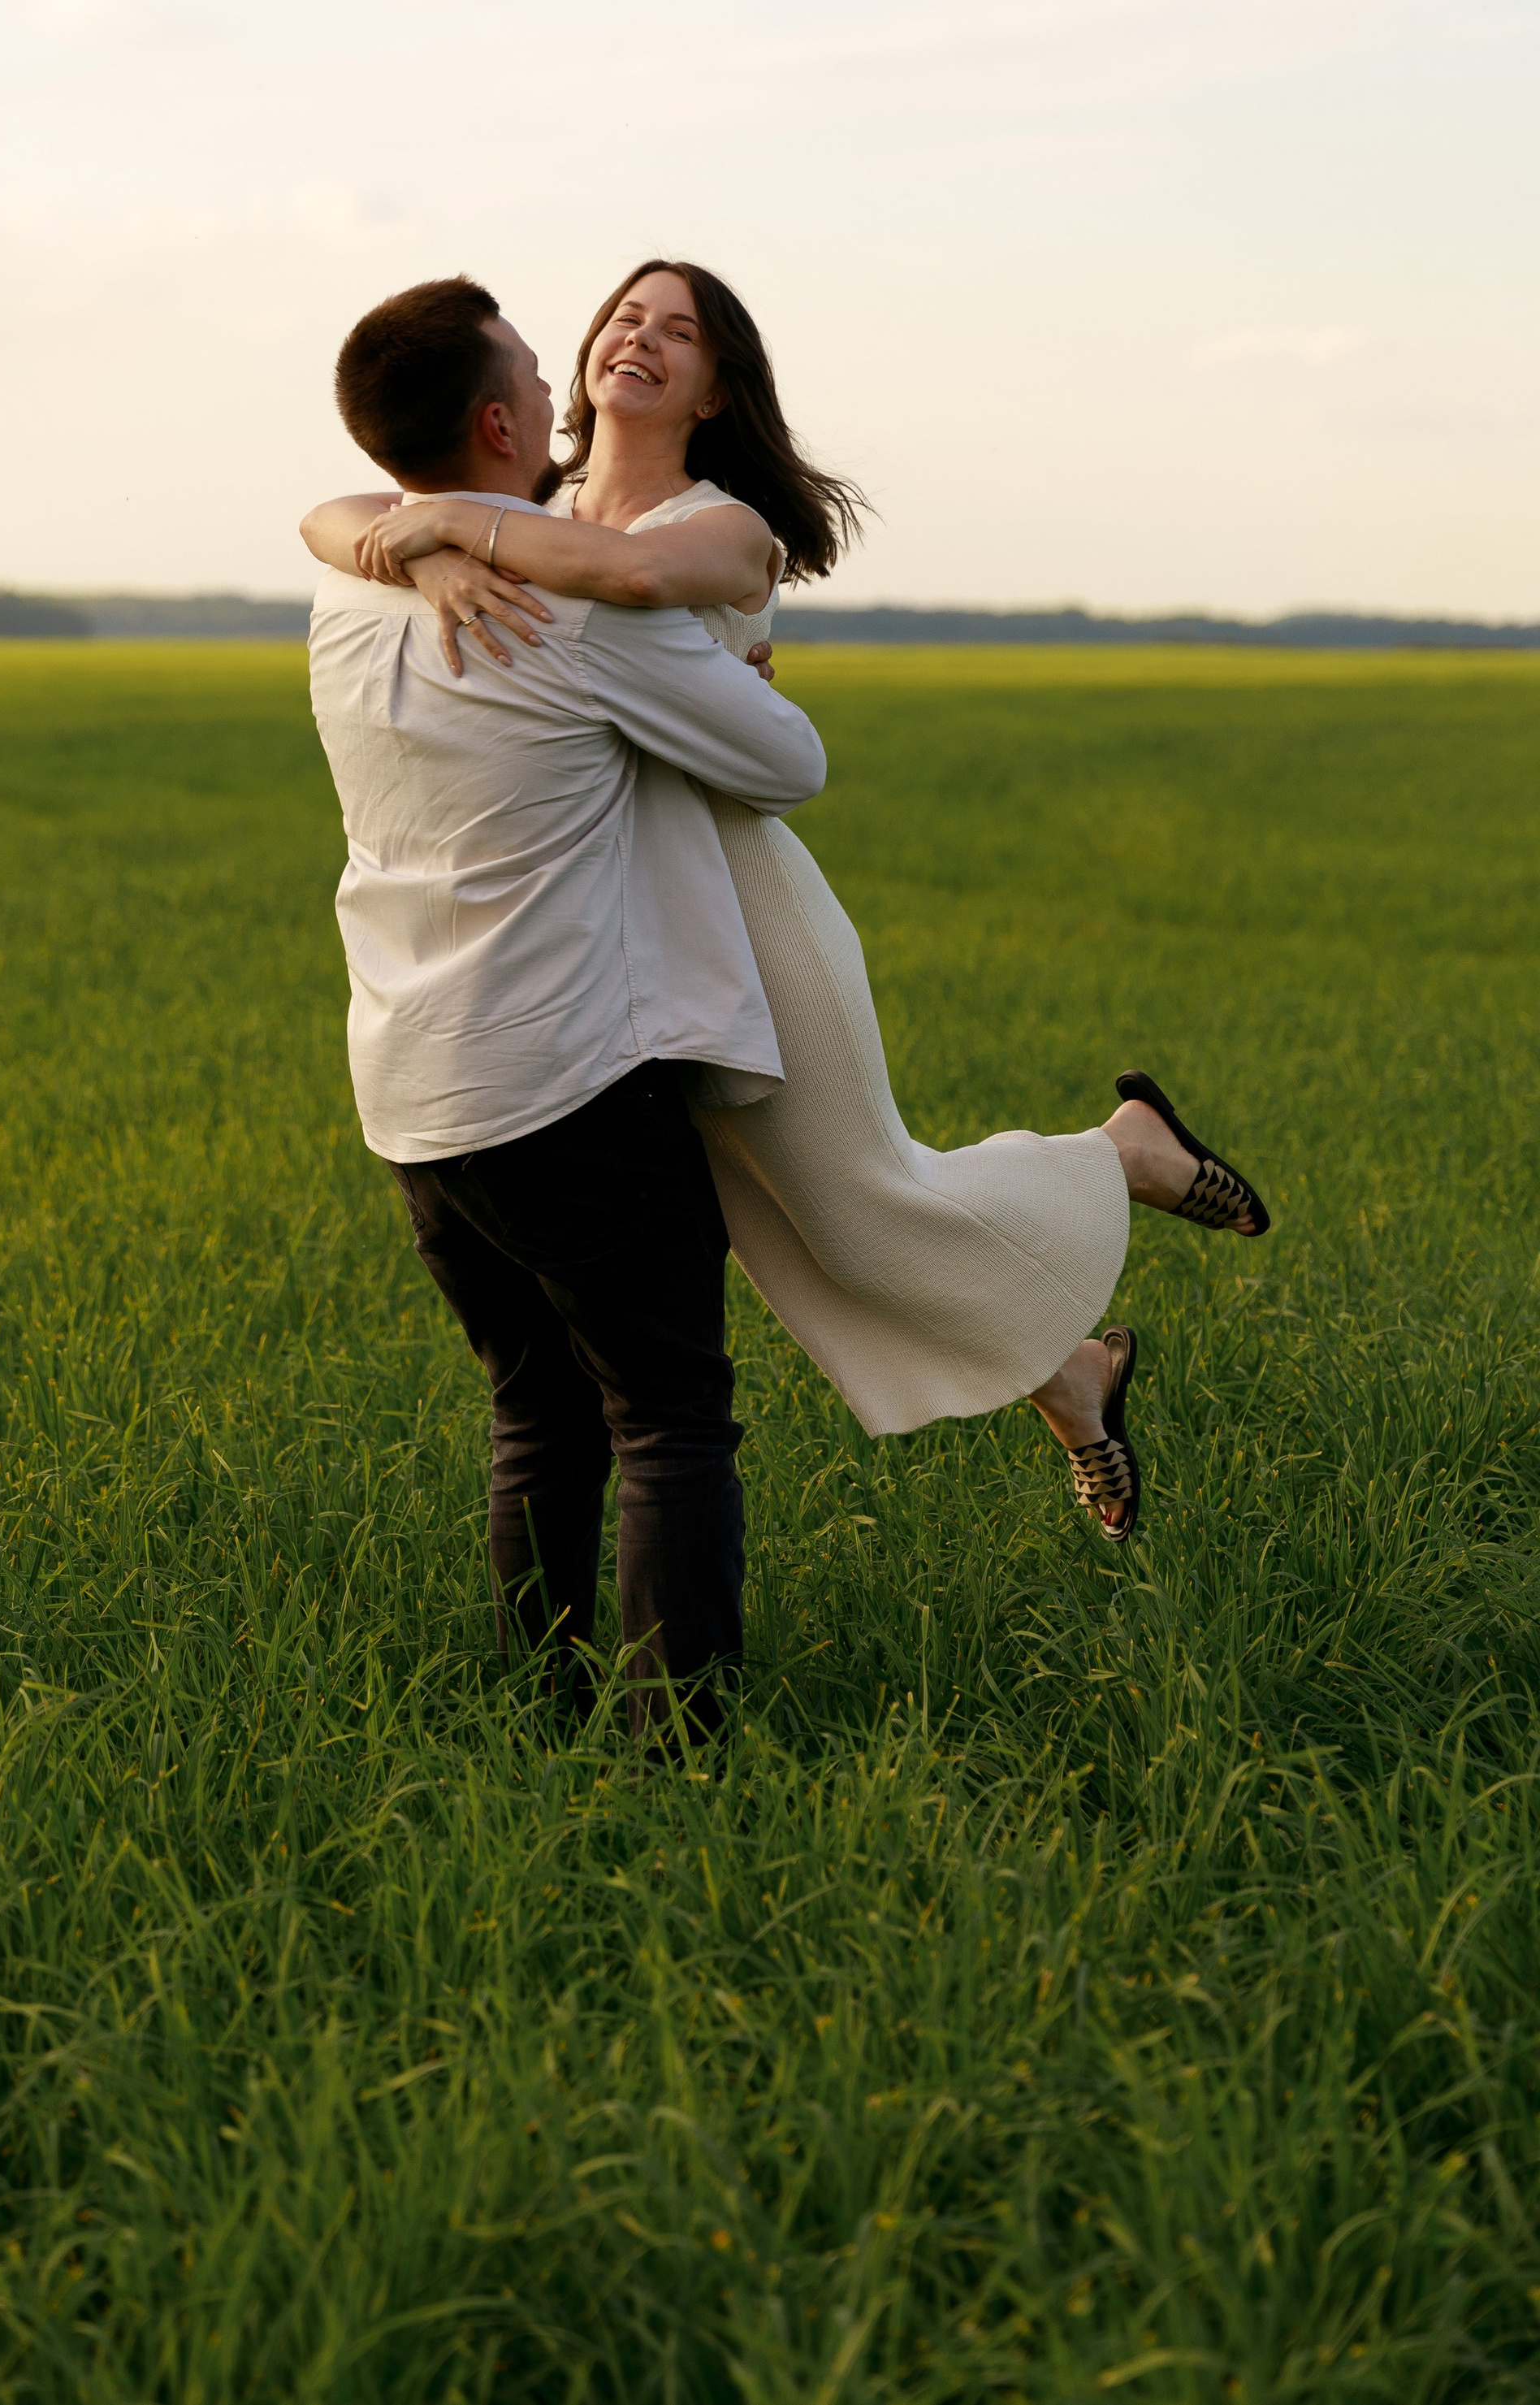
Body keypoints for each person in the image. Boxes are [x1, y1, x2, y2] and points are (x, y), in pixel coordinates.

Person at [304, 258, 1271, 1546]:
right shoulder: (531, 504)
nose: (639, 337)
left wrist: (443, 535)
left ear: (717, 389)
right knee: (791, 1235)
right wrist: (422, 546)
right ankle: (1068, 1373)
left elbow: (625, 584)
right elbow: (338, 514)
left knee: (861, 1208)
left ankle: (1118, 1154)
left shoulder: (719, 526)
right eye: (625, 316)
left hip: (740, 906)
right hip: (619, 946)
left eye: (679, 331)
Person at [303, 274, 828, 1740]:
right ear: (497, 422)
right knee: (669, 1417)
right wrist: (732, 678)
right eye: (534, 372)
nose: (558, 387)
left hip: (409, 1090)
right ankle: (676, 1757)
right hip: (565, 1077)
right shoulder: (576, 614)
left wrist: (434, 535)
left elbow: (339, 517)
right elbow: (788, 764)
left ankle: (540, 1714)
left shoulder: (344, 590)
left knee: (536, 1409)